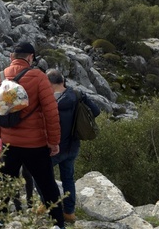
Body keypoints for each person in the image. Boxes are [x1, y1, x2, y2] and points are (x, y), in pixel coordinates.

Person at [0, 42, 65, 229]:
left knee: (4, 187)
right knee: (48, 186)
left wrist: (0, 132)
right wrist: (54, 142)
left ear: (11, 57)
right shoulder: (39, 78)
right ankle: (58, 225)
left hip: (9, 146)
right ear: (30, 58)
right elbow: (51, 112)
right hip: (36, 146)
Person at [45, 68, 100, 223]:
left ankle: (49, 207)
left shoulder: (49, 101)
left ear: (49, 83)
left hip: (54, 147)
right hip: (73, 146)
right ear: (62, 81)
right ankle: (69, 212)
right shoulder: (77, 94)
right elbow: (95, 111)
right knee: (68, 178)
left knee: (42, 177)